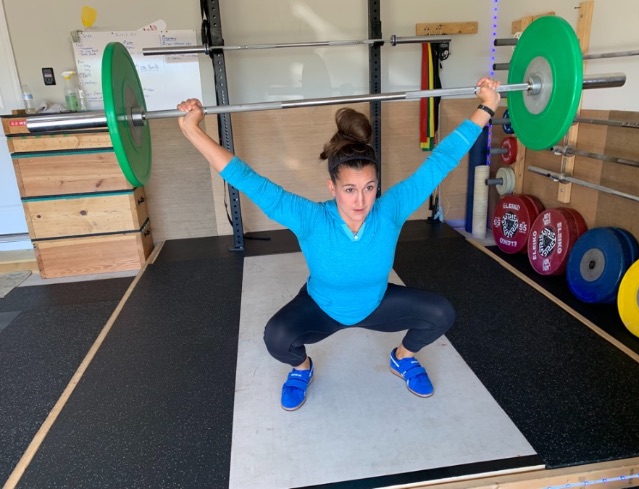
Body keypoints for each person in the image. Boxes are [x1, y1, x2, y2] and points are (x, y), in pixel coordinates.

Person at [177, 78, 501, 411]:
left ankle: (403, 358)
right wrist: (192, 131)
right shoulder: (311, 218)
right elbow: (247, 179)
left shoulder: (390, 210)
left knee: (441, 312)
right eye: (350, 189)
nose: (361, 200)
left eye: (370, 187)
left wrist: (487, 105)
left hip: (376, 303)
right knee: (276, 337)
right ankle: (302, 370)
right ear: (332, 187)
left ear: (378, 186)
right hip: (322, 308)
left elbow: (441, 161)